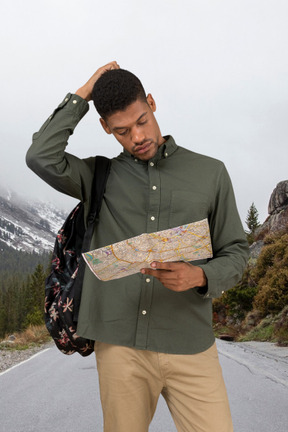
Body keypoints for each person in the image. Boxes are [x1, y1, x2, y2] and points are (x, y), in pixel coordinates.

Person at [26, 61, 249, 432]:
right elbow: (40, 156)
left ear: (151, 102)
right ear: (106, 129)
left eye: (141, 121)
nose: (137, 137)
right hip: (120, 349)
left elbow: (237, 251)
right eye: (122, 131)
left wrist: (200, 274)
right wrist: (86, 90)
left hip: (190, 343)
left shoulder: (211, 173)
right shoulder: (98, 175)